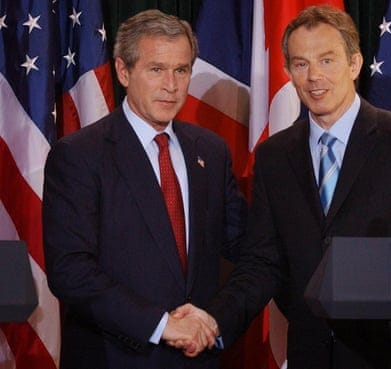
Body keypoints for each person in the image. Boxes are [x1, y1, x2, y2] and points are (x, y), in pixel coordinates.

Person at [171, 4, 391, 369]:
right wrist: (214, 320)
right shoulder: (274, 157)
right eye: (301, 64)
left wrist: (370, 277)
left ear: (355, 64)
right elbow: (262, 262)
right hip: (309, 355)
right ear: (288, 72)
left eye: (327, 60)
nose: (314, 77)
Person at [42, 9, 247, 369]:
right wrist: (163, 325)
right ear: (124, 71)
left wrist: (215, 319)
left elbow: (246, 247)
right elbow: (70, 270)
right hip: (116, 358)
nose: (171, 85)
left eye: (181, 70)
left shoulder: (210, 152)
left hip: (198, 358)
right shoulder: (79, 155)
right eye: (156, 69)